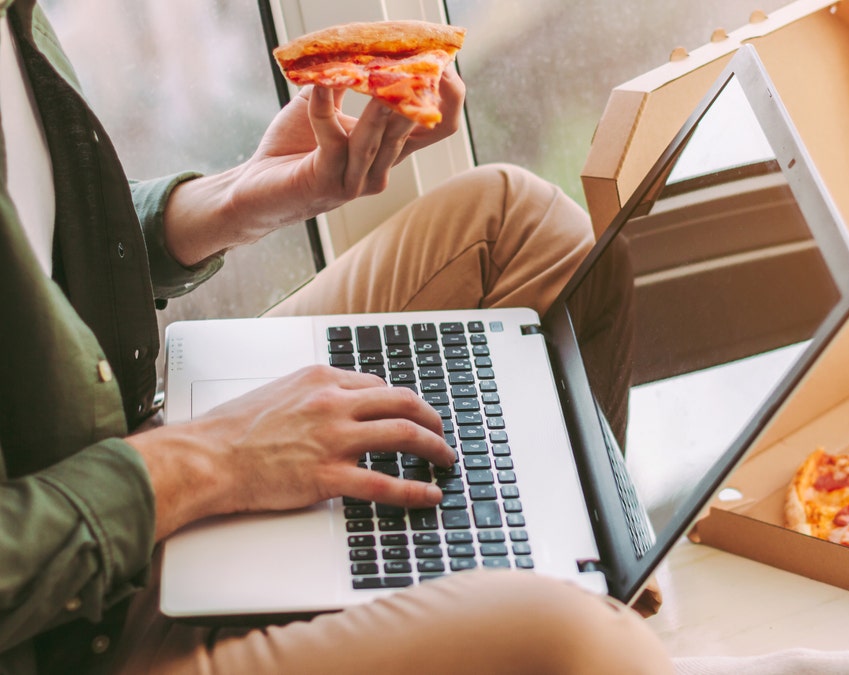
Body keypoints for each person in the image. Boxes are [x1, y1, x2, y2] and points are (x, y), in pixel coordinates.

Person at [0, 1, 672, 672]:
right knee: (580, 644)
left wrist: (237, 198)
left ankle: (569, 568)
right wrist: (207, 460)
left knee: (522, 228)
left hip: (116, 450)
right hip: (71, 631)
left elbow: (38, 254)